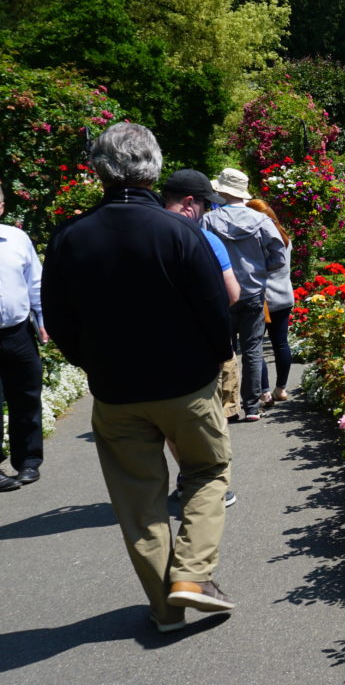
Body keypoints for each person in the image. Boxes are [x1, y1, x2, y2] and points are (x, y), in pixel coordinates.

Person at [42, 123, 236, 632]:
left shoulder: (68, 237)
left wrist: (92, 364)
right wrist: (217, 359)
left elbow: (58, 319)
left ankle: (166, 610)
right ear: (153, 166)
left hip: (115, 390)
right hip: (186, 384)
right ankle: (193, 576)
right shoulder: (181, 232)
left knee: (138, 498)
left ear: (98, 169)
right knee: (206, 472)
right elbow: (216, 310)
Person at [160, 170, 241, 509]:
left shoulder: (137, 234)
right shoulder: (204, 239)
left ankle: (185, 478)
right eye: (207, 204)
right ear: (191, 203)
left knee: (170, 426)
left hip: (154, 351)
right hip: (203, 345)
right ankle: (212, 485)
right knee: (213, 416)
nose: (208, 212)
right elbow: (232, 293)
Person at [202, 168, 286, 422]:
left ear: (222, 191)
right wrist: (260, 268)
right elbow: (279, 256)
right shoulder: (260, 220)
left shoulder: (208, 221)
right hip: (253, 293)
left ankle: (228, 407)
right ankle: (252, 407)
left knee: (224, 350)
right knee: (253, 349)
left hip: (221, 294)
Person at [0, 185, 46, 490]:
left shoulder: (16, 238)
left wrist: (43, 319)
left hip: (18, 332)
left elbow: (35, 282)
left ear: (2, 206)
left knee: (27, 395)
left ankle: (28, 461)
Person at [245, 198, 295, 402]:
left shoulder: (260, 238)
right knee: (281, 344)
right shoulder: (284, 237)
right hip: (284, 295)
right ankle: (281, 388)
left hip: (263, 298)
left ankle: (265, 391)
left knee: (256, 346)